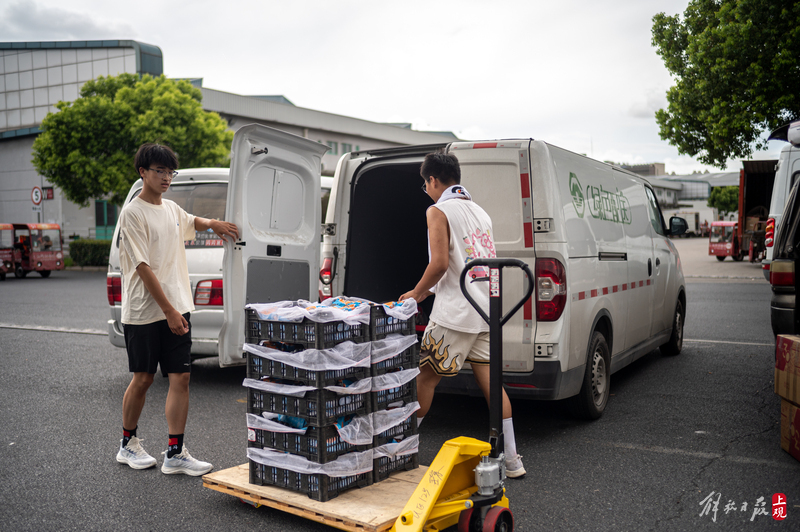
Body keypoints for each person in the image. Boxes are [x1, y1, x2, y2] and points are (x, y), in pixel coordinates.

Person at [399, 151, 525, 478]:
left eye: (425, 184)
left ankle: (399, 451)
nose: (426, 190)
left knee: (424, 379)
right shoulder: (480, 212)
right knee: (493, 386)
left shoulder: (437, 210)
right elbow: (463, 266)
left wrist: (415, 292)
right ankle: (513, 461)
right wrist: (425, 291)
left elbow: (440, 263)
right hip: (486, 311)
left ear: (433, 180)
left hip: (454, 313)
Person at [115, 142, 239, 476]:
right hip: (145, 312)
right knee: (143, 378)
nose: (167, 177)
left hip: (177, 308)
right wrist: (168, 311)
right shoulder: (133, 213)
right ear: (143, 172)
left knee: (181, 378)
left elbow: (191, 221)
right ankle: (127, 444)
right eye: (160, 171)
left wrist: (213, 223)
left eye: (171, 172)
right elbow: (142, 267)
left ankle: (175, 453)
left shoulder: (170, 208)